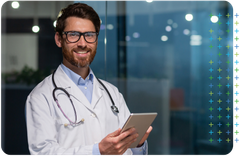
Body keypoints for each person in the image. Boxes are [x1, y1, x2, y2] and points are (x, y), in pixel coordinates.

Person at [26, 3, 152, 156]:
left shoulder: (112, 93)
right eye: (73, 35)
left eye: (89, 35)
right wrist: (97, 151)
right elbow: (43, 152)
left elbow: (128, 151)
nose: (83, 43)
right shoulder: (41, 96)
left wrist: (137, 145)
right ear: (59, 39)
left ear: (96, 40)